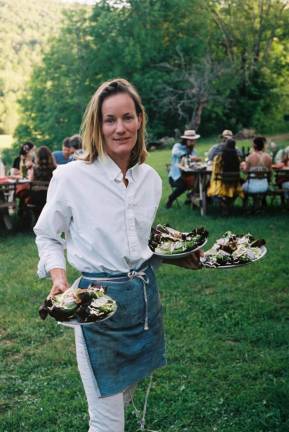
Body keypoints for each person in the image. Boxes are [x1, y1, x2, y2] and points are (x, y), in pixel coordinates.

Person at [34, 78, 201, 432]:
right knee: (107, 422)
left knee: (123, 396)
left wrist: (174, 256)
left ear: (140, 119)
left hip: (143, 305)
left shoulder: (150, 180)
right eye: (110, 120)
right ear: (98, 124)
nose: (120, 128)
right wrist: (59, 277)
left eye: (127, 117)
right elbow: (48, 234)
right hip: (97, 310)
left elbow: (139, 247)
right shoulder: (71, 178)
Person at [165, 129, 201, 209]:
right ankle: (170, 199)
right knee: (183, 186)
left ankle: (192, 198)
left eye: (193, 140)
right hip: (175, 176)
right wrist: (188, 156)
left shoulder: (193, 150)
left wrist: (195, 160)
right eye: (190, 140)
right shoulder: (178, 146)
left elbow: (194, 161)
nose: (192, 142)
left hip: (189, 175)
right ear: (185, 140)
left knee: (200, 181)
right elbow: (175, 153)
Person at [207, 139, 244, 215]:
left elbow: (215, 171)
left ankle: (223, 203)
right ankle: (228, 204)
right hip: (234, 186)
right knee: (235, 191)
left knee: (209, 189)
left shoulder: (219, 158)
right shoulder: (237, 158)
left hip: (220, 185)